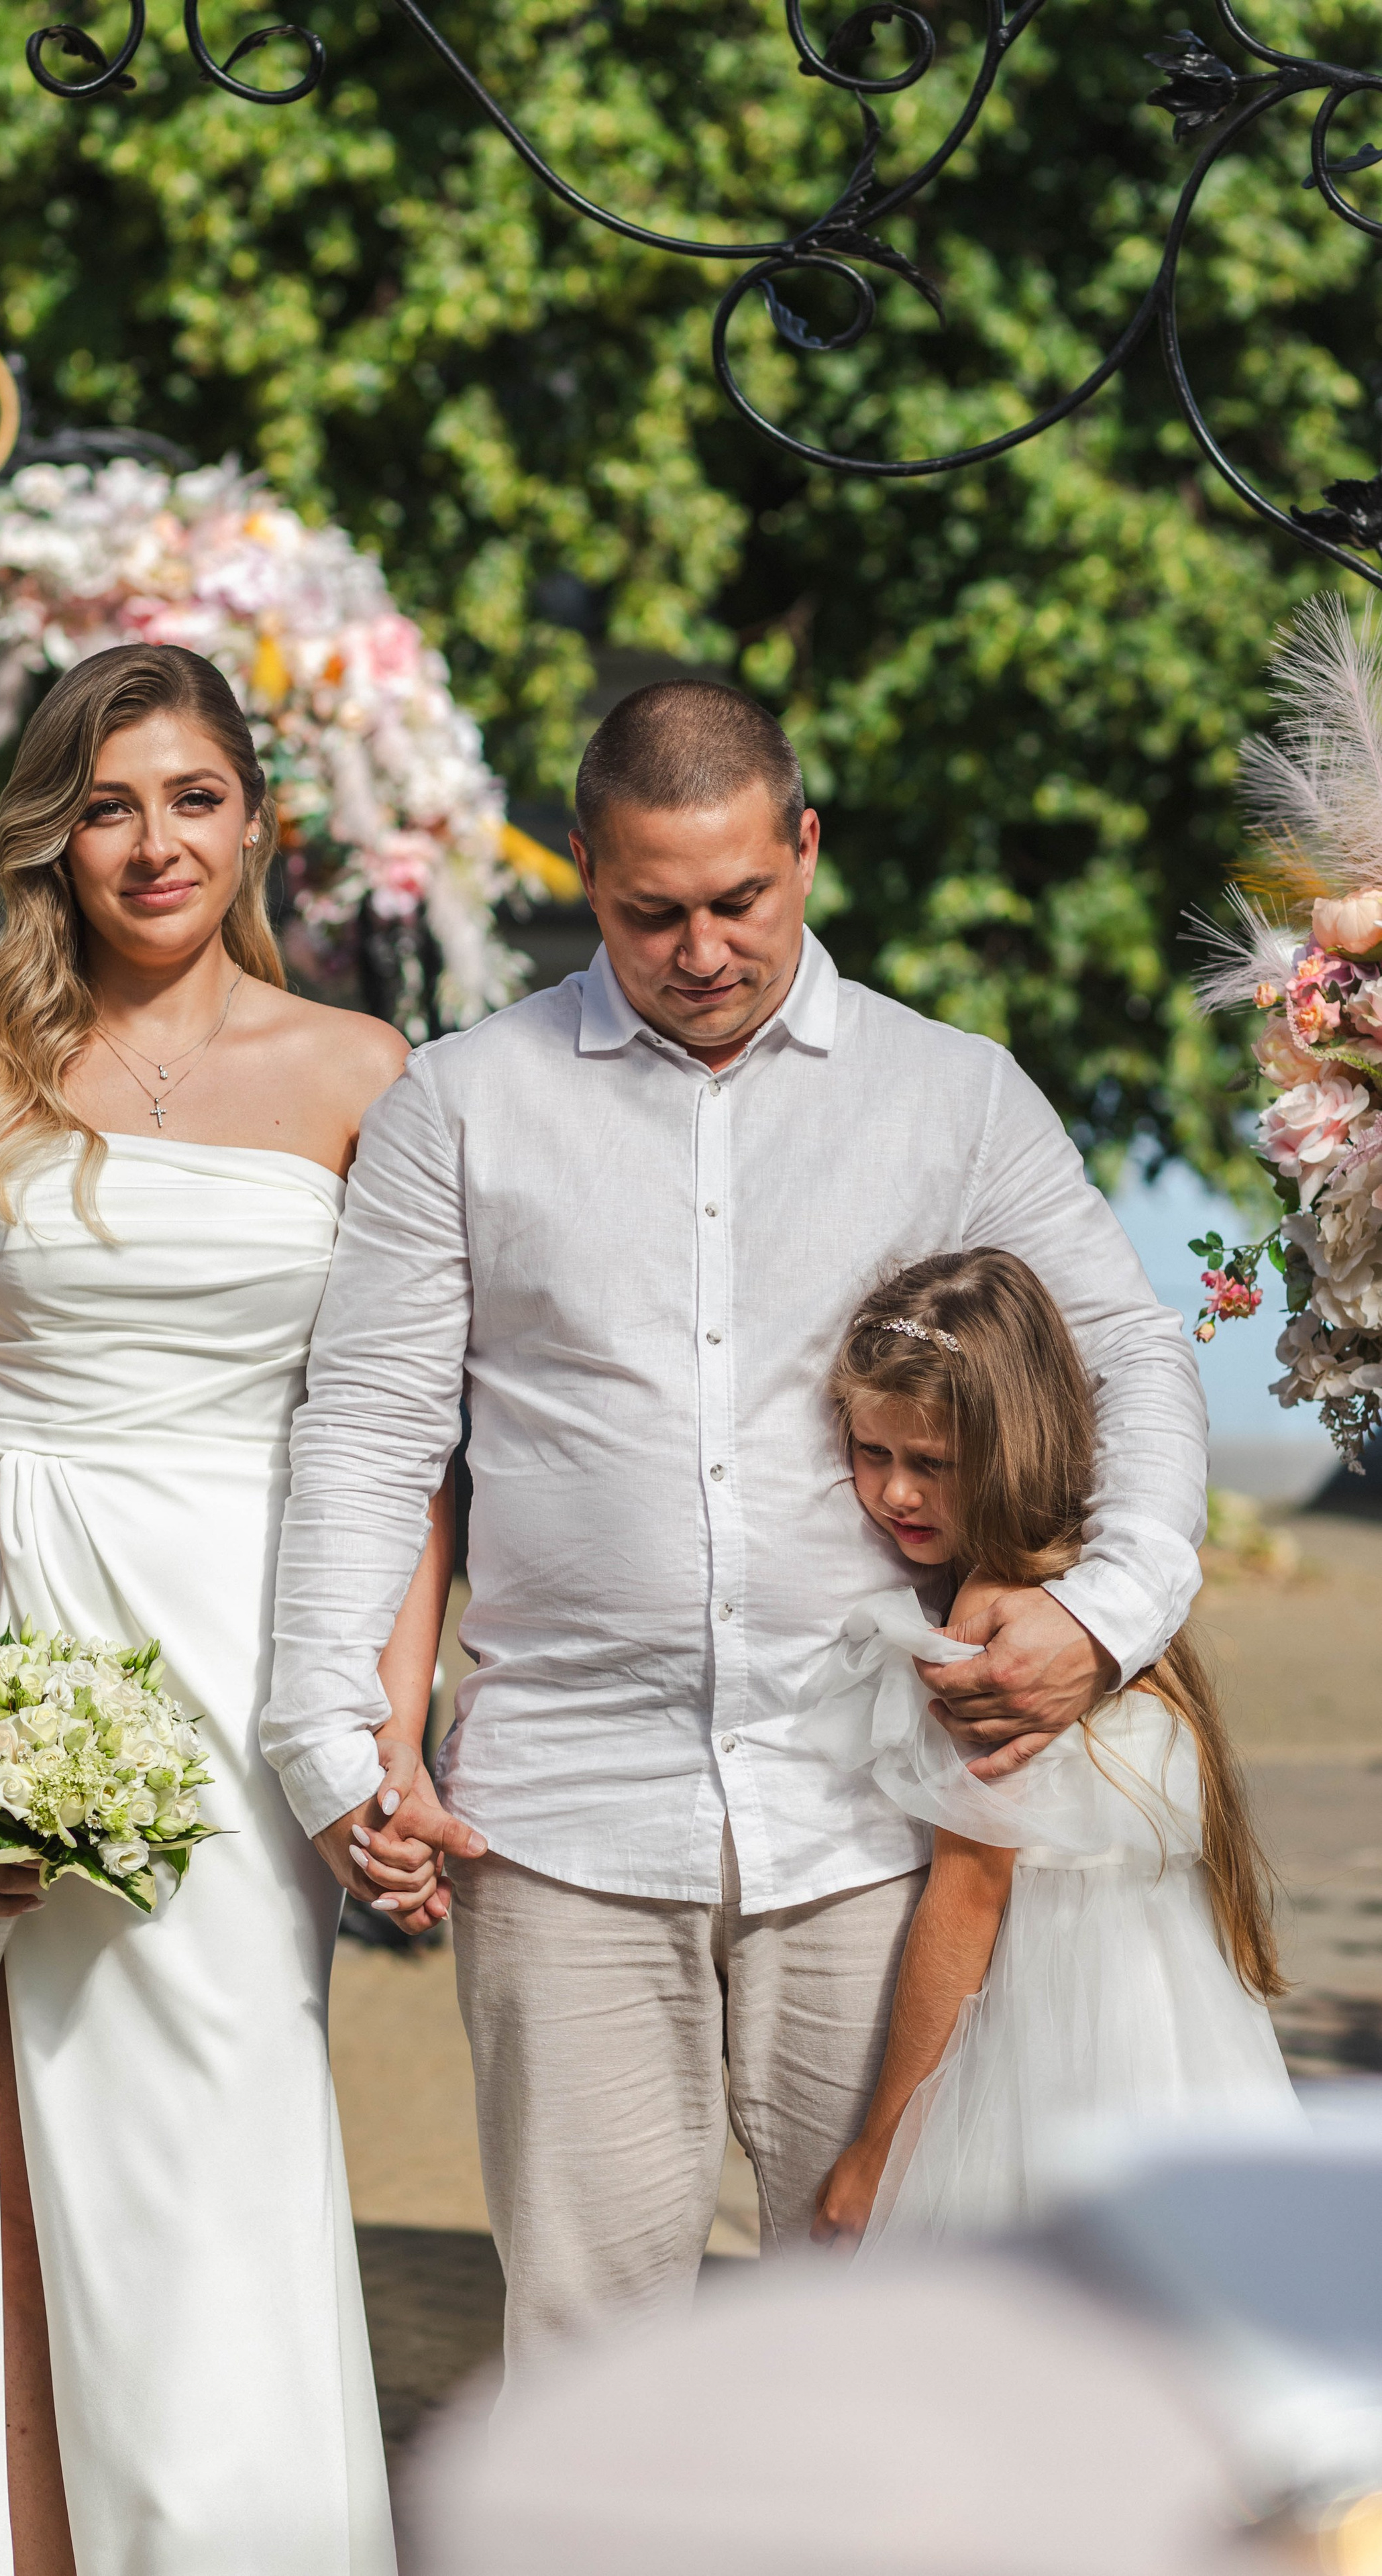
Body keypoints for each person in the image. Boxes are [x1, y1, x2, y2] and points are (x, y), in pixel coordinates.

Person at [260, 678, 1210, 2377]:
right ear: (579, 869)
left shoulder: (952, 1095)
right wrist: (325, 1728)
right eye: (651, 913)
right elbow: (374, 1428)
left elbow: (1126, 1352)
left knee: (878, 2344)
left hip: (870, 1818)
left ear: (804, 848)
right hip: (562, 1818)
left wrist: (1111, 1608)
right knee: (586, 2359)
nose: (700, 949)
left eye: (738, 900)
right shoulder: (459, 1103)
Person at [0, 643, 447, 2576]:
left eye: (191, 799)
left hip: (250, 1642)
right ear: (51, 841)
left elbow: (401, 1446)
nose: (154, 844)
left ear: (256, 823)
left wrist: (388, 1730)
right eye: (106, 806)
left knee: (220, 2121)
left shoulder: (365, 1073)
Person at [808, 1251, 1299, 2249]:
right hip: (1175, 2056)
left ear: (1009, 1445)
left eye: (932, 1463)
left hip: (1050, 2063)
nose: (895, 1492)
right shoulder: (1103, 1617)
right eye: (871, 1451)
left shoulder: (991, 1626)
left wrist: (880, 2146)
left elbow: (968, 1894)